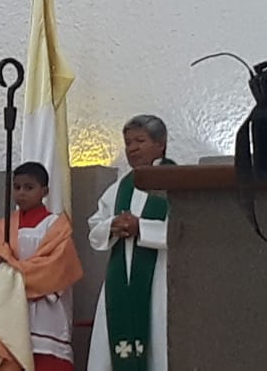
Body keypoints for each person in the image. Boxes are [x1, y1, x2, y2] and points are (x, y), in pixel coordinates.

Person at [0, 162, 83, 371]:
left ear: (44, 191)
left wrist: (13, 274)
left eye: (29, 187)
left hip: (43, 313)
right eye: (17, 187)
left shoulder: (55, 227)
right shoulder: (1, 227)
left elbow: (57, 269)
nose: (21, 193)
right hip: (5, 310)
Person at [87, 115, 174, 371]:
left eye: (140, 140)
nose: (132, 148)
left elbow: (187, 231)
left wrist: (142, 228)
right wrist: (113, 225)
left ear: (161, 143)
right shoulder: (119, 187)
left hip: (160, 278)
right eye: (127, 143)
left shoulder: (176, 182)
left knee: (159, 340)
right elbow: (95, 225)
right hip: (120, 281)